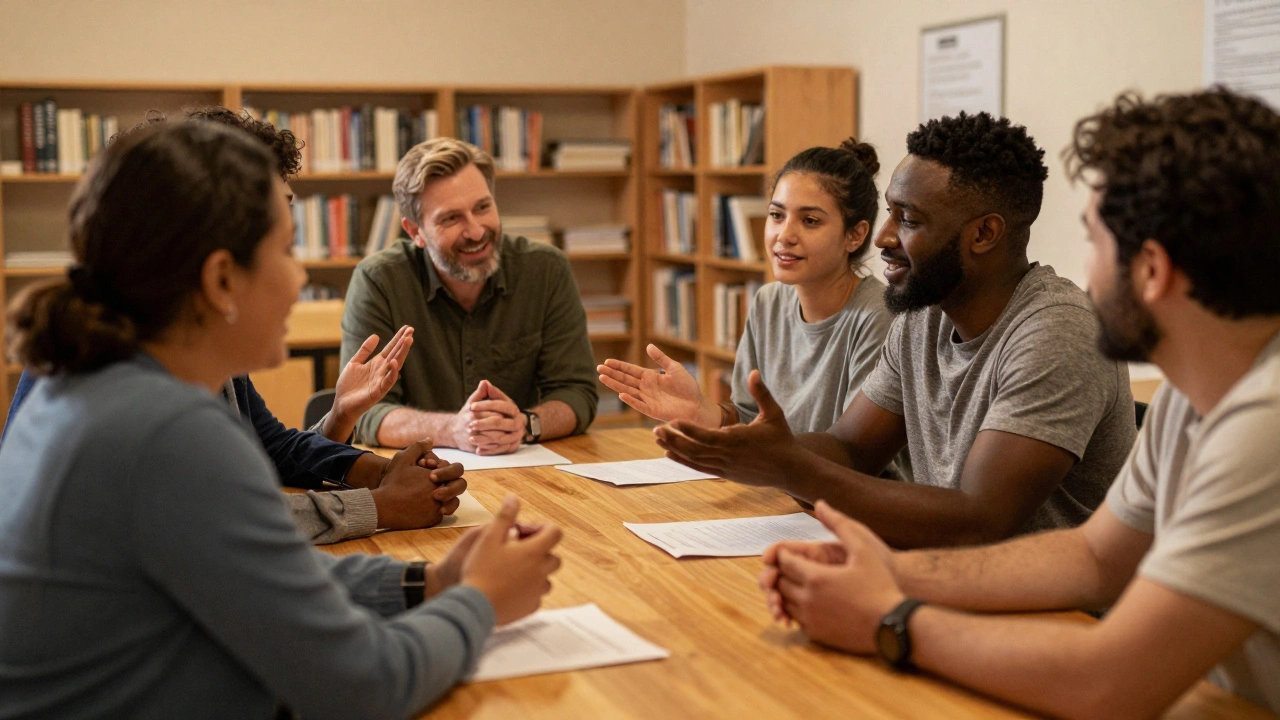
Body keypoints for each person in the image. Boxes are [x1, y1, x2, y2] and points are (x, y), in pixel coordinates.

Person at [0, 121, 562, 718]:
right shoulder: (168, 434)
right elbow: (365, 684)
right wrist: (481, 600)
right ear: (221, 280)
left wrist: (430, 583)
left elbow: (266, 581)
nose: (300, 279)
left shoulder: (99, 386)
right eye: (288, 250)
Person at [758, 88, 1280, 717]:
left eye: (1095, 240)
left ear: (1152, 270)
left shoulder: (1265, 426)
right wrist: (882, 573)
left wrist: (890, 618)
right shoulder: (1191, 401)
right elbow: (1094, 557)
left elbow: (1110, 683)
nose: (1085, 269)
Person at [657, 112, 1135, 548]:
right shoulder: (923, 315)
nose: (883, 237)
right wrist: (754, 444)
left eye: (907, 219)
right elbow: (851, 447)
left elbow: (980, 518)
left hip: (1061, 617)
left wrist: (791, 467)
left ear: (984, 234)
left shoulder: (1057, 331)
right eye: (889, 212)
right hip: (956, 581)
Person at [0, 107, 462, 544]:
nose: (298, 273)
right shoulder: (132, 399)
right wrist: (382, 505)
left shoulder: (182, 341)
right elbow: (228, 521)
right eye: (280, 238)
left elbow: (270, 450)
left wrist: (378, 471)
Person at [598, 138, 892, 435]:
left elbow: (853, 453)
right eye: (776, 215)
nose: (784, 235)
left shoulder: (878, 317)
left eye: (810, 220)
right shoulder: (769, 302)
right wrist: (700, 410)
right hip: (775, 479)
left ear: (855, 235)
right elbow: (749, 417)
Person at [341, 137, 597, 454]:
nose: (476, 231)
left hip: (525, 470)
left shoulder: (545, 270)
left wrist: (525, 424)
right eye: (451, 218)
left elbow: (577, 393)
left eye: (483, 207)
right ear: (415, 231)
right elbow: (363, 410)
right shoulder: (379, 281)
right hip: (419, 476)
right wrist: (453, 430)